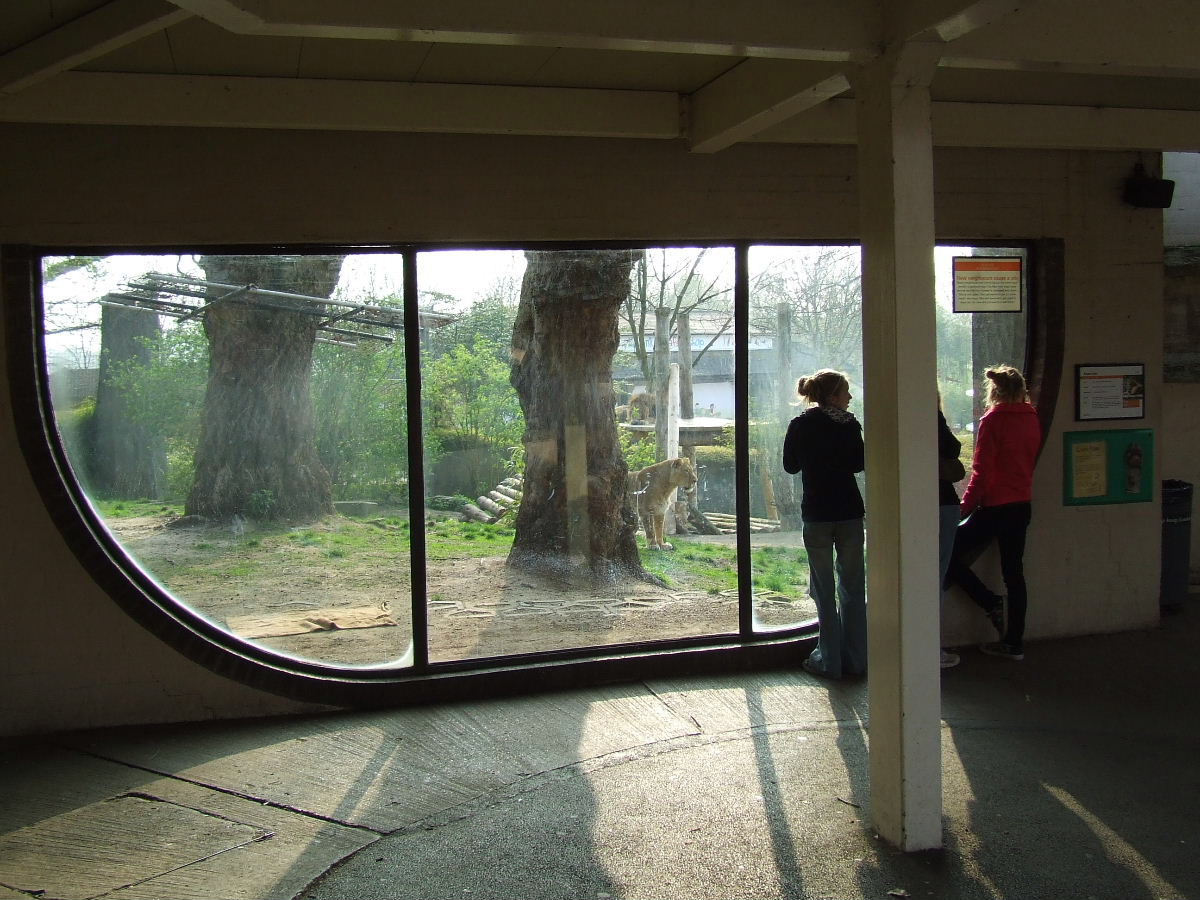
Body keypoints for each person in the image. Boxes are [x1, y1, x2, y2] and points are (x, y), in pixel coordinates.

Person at [945, 365, 1042, 660]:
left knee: (946, 553)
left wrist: (964, 507)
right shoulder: (1032, 418)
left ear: (994, 391)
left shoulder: (993, 420)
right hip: (1021, 505)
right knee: (1015, 573)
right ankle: (1014, 642)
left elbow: (982, 472)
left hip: (994, 507)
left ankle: (989, 601)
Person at [782, 369, 866, 679]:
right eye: (846, 391)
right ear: (833, 396)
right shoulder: (850, 425)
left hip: (816, 513)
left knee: (823, 586)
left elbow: (790, 466)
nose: (850, 396)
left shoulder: (800, 425)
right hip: (849, 511)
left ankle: (829, 660)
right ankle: (857, 659)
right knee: (854, 586)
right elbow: (859, 464)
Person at [937, 396, 964, 669]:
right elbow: (953, 447)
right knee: (937, 575)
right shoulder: (931, 416)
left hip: (916, 503)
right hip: (942, 503)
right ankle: (932, 646)